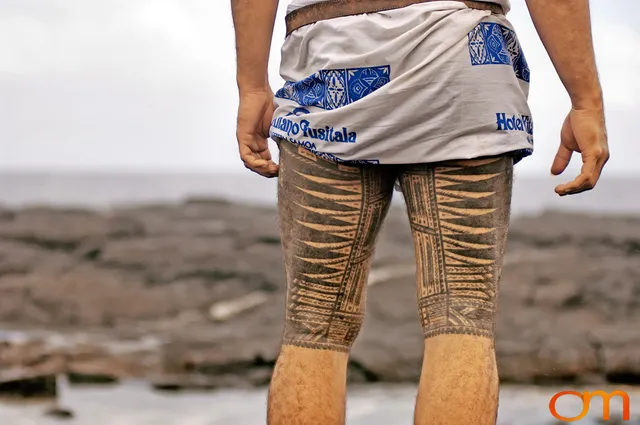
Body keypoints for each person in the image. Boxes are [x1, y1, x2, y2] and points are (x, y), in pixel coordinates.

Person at [231, 0, 610, 424]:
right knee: (461, 313)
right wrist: (585, 101)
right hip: (460, 60)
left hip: (329, 61)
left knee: (315, 323)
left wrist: (252, 86)